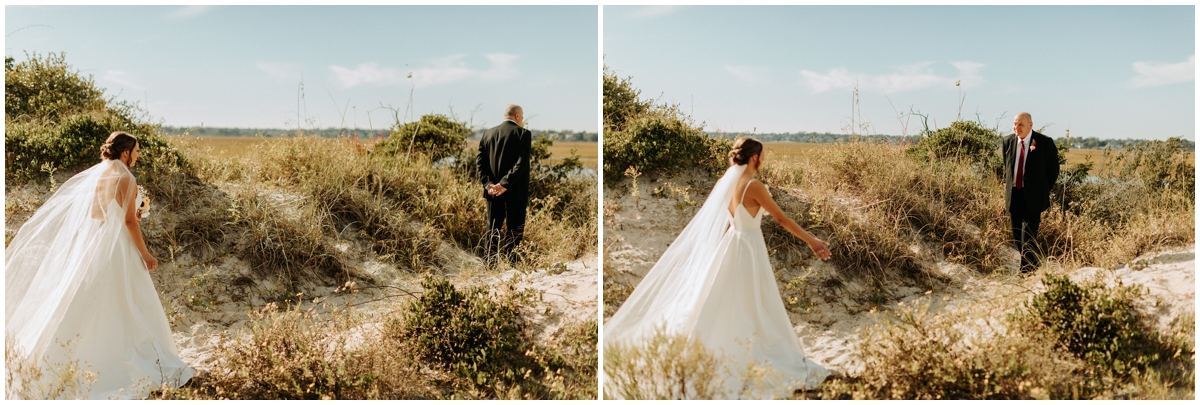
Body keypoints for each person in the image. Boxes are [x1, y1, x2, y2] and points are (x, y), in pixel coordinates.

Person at [604, 137, 832, 398]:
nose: (764, 159)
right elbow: (780, 218)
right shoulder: (753, 185)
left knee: (727, 301)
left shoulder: (726, 183)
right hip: (748, 247)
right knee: (750, 302)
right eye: (763, 154)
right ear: (754, 157)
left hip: (731, 245)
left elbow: (725, 221)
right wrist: (812, 241)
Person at [6, 132, 194, 399]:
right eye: (136, 151)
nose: (138, 155)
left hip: (99, 244)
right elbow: (129, 223)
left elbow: (97, 213)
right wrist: (147, 254)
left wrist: (126, 211)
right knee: (126, 299)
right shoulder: (127, 178)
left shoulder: (101, 176)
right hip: (119, 246)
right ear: (125, 152)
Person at [1003, 112, 1059, 274]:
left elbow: (1053, 171)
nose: (1016, 127)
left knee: (1028, 235)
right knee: (1016, 234)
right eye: (1015, 124)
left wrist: (1042, 191)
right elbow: (1007, 167)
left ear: (1030, 125)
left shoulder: (1044, 143)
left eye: (1020, 124)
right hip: (1014, 196)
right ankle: (1034, 264)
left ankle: (1025, 272)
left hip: (1034, 198)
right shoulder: (1007, 141)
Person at [476, 104, 532, 262]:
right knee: (514, 228)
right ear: (517, 116)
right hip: (515, 191)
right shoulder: (523, 134)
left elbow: (480, 163)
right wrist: (504, 184)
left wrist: (489, 184)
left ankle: (489, 263)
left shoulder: (488, 134)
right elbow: (521, 163)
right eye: (522, 116)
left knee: (492, 228)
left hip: (493, 191)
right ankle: (511, 263)